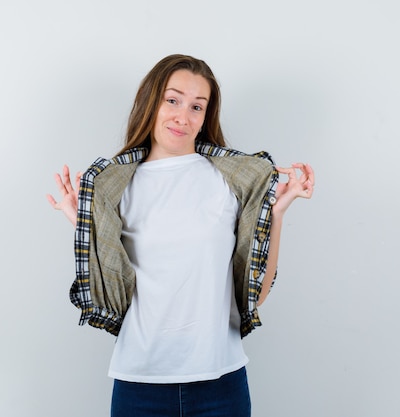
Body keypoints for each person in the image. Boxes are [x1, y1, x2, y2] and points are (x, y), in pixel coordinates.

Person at [47, 54, 314, 417]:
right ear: (151, 101)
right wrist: (82, 221)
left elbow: (255, 296)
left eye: (196, 107)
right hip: (139, 385)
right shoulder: (116, 188)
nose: (182, 117)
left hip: (222, 384)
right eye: (172, 100)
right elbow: (109, 284)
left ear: (206, 117)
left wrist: (277, 214)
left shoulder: (230, 184)